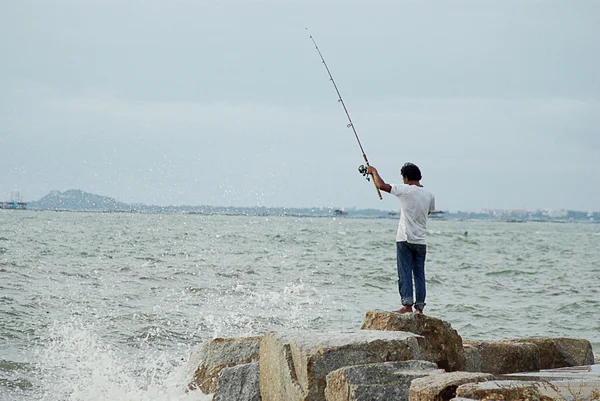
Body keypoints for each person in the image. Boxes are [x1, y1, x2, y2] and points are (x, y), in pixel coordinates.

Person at [368, 163, 435, 315]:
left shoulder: (405, 190)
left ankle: (407, 305)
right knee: (419, 274)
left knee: (404, 272)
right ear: (420, 177)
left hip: (404, 238)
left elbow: (381, 185)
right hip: (421, 241)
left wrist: (373, 171)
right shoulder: (429, 195)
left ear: (405, 178)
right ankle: (419, 308)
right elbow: (429, 212)